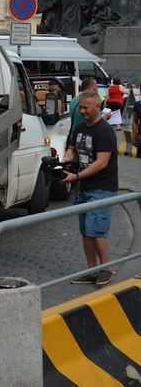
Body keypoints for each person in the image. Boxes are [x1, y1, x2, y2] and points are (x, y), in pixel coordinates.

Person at [63, 91, 118, 285]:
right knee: (86, 230)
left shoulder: (105, 131)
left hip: (102, 188)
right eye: (81, 107)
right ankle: (92, 270)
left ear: (97, 107)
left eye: (86, 107)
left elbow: (102, 163)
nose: (83, 111)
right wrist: (68, 157)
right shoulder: (79, 128)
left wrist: (76, 176)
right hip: (85, 188)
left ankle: (105, 268)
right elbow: (72, 148)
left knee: (96, 230)